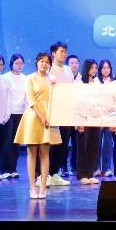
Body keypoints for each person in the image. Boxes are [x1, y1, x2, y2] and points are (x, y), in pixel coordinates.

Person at [14, 50, 60, 199]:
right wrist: (41, 117)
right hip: (34, 117)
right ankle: (32, 188)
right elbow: (31, 100)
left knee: (45, 153)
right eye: (42, 61)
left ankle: (43, 188)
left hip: (49, 118)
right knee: (32, 152)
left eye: (47, 62)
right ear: (36, 62)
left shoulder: (52, 79)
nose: (44, 64)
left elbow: (56, 98)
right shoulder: (30, 78)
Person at [46, 41, 74, 186]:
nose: (64, 54)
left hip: (65, 112)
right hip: (52, 112)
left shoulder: (68, 70)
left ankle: (55, 174)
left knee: (62, 145)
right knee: (50, 145)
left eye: (65, 51)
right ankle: (44, 175)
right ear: (53, 53)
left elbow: (72, 90)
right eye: (61, 51)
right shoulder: (49, 69)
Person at [0, 53, 27, 179]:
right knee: (7, 141)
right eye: (17, 63)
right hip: (8, 113)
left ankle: (13, 168)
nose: (19, 65)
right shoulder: (5, 77)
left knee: (16, 142)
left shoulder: (25, 78)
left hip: (20, 113)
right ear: (11, 64)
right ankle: (5, 169)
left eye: (21, 63)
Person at [75, 59, 102, 185]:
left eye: (95, 68)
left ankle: (90, 173)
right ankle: (82, 174)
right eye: (92, 68)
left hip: (95, 119)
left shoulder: (97, 83)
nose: (94, 70)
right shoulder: (80, 83)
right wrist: (78, 121)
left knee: (94, 146)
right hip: (83, 119)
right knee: (83, 147)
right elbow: (77, 103)